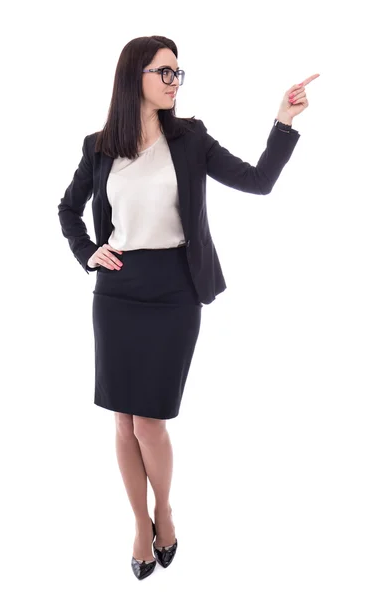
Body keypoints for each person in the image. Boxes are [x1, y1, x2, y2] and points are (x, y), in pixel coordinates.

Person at [58, 34, 318, 580]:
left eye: (179, 72)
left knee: (150, 422)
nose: (175, 81)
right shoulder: (101, 144)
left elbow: (258, 181)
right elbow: (68, 208)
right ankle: (138, 525)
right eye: (165, 72)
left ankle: (164, 512)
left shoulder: (190, 138)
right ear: (136, 78)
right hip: (118, 291)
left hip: (175, 290)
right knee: (123, 421)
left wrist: (283, 121)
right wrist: (88, 251)